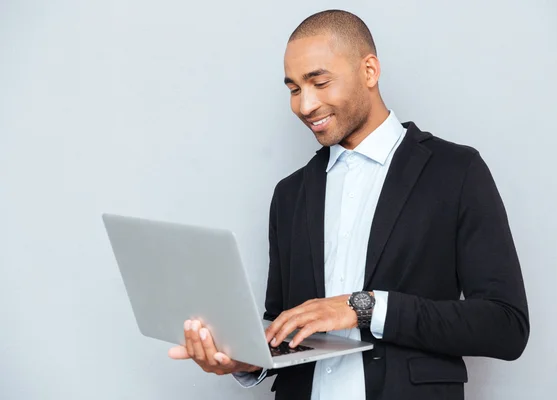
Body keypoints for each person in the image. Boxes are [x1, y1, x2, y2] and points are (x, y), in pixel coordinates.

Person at [167, 9, 530, 400]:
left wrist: (365, 307)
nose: (305, 106)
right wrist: (249, 358)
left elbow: (505, 325)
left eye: (319, 82)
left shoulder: (456, 171)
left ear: (369, 71)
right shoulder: (290, 195)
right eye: (293, 89)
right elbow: (284, 325)